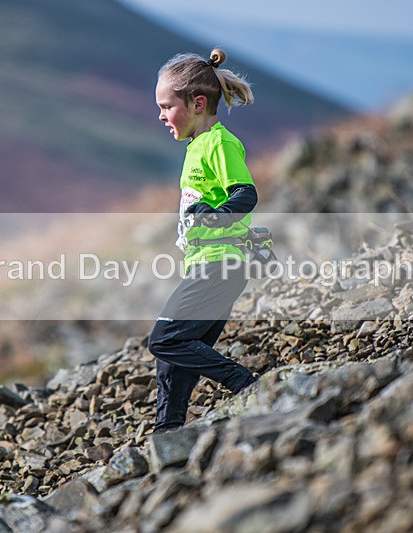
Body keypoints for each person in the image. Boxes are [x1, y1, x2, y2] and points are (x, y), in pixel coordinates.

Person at [148, 48, 259, 434]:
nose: (161, 115)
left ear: (197, 103)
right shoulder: (197, 146)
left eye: (167, 106)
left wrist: (210, 217)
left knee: (164, 339)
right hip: (207, 263)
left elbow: (245, 194)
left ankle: (245, 384)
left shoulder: (219, 143)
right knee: (175, 353)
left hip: (223, 263)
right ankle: (168, 429)